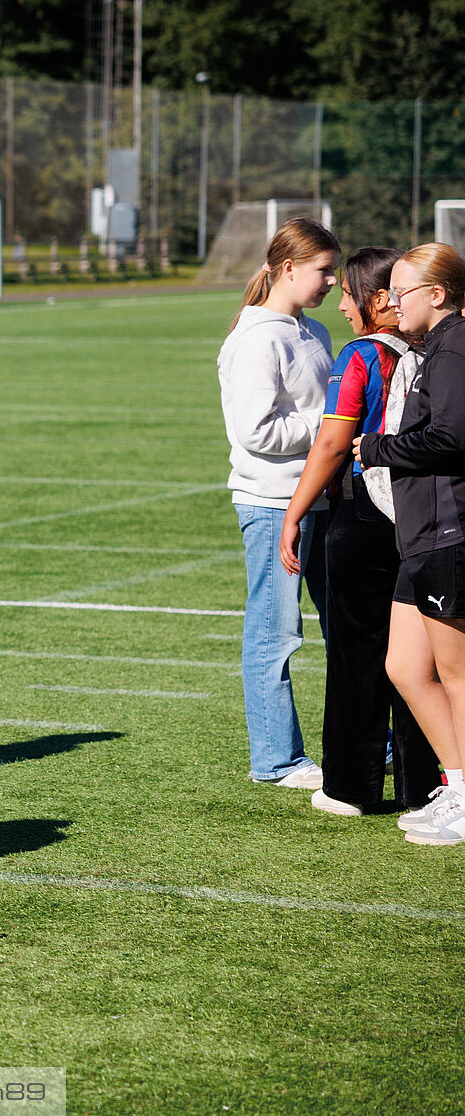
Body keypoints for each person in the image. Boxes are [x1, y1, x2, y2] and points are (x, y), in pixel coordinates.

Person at [278, 248, 441, 817]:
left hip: (365, 511)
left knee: (357, 651)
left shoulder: (361, 355)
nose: (341, 304)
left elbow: (330, 444)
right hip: (424, 515)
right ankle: (428, 784)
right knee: (422, 660)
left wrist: (294, 512)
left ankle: (351, 785)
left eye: (348, 293)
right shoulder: (434, 349)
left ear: (376, 301)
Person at [216, 216, 339, 790]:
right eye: (323, 270)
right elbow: (256, 431)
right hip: (272, 505)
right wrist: (334, 425)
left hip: (325, 499)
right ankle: (277, 758)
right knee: (275, 632)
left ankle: (370, 739)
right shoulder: (258, 337)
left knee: (350, 625)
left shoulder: (311, 331)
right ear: (287, 269)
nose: (333, 281)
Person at [355, 242, 465, 845]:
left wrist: (377, 448)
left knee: (457, 675)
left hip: (450, 532)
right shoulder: (433, 350)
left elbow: (451, 437)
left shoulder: (455, 348)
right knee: (404, 665)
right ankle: (457, 782)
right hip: (420, 534)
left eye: (403, 291)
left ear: (439, 294)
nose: (391, 302)